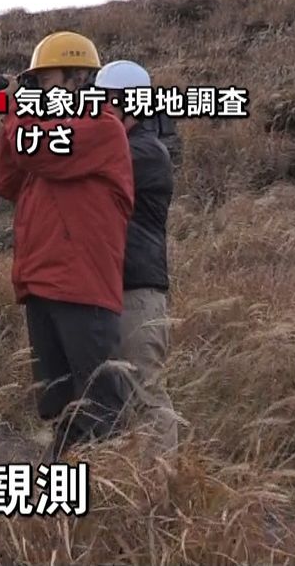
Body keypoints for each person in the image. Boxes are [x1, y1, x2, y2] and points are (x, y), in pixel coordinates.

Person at [0, 31, 135, 461]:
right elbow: (6, 179)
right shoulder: (47, 134)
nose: (36, 89)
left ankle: (111, 498)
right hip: (42, 282)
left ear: (77, 78)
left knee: (98, 405)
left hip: (80, 284)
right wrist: (8, 113)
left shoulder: (102, 126)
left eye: (44, 78)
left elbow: (33, 151)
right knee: (59, 404)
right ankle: (66, 490)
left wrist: (18, 111)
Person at [96, 59, 181, 454]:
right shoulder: (131, 147)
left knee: (145, 395)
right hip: (119, 287)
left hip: (138, 290)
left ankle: (160, 498)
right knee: (123, 397)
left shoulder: (144, 152)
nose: (99, 110)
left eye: (107, 102)